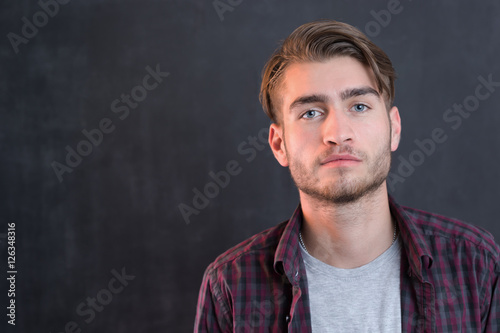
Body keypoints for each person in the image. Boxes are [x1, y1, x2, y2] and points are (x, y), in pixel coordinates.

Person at [194, 20, 500, 332]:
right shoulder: (230, 285)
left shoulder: (476, 265)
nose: (338, 134)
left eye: (359, 106)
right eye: (310, 112)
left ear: (394, 128)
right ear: (279, 144)